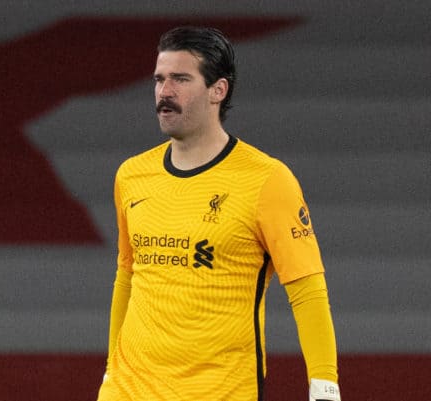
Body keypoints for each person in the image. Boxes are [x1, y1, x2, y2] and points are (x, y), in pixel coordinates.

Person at [97, 26, 341, 401]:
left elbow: (307, 289)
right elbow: (128, 276)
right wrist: (112, 369)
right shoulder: (131, 175)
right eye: (159, 79)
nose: (164, 92)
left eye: (180, 79)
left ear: (218, 90)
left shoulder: (267, 180)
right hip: (128, 390)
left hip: (219, 390)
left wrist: (324, 386)